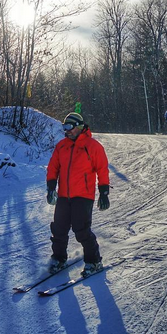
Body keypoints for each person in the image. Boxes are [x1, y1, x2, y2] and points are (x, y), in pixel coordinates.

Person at [46, 112, 110, 277]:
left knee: (81, 230)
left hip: (83, 196)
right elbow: (53, 167)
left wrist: (104, 192)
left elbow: (102, 169)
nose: (66, 131)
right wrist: (51, 187)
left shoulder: (93, 146)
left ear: (79, 127)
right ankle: (59, 259)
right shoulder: (62, 146)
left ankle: (94, 261)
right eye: (64, 127)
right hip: (64, 196)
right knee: (59, 229)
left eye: (69, 127)